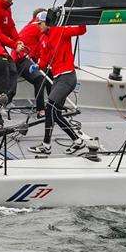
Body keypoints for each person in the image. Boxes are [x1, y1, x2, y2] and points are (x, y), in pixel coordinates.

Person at [28, 21, 90, 155]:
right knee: (56, 114)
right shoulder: (43, 39)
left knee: (50, 107)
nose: (38, 27)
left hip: (67, 76)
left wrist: (81, 20)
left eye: (40, 24)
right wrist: (37, 66)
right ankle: (77, 141)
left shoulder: (61, 30)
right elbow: (44, 61)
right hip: (57, 78)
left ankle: (46, 145)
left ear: (47, 23)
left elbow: (81, 30)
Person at [11, 8, 49, 117]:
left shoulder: (30, 26)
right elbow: (43, 48)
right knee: (40, 79)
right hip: (21, 60)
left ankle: (50, 105)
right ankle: (41, 110)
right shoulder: (37, 28)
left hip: (22, 59)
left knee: (48, 73)